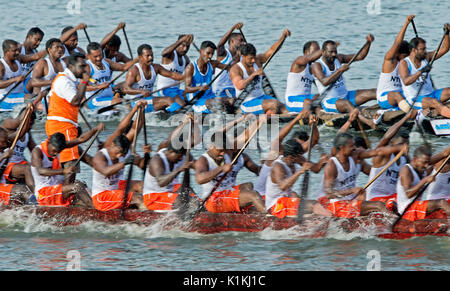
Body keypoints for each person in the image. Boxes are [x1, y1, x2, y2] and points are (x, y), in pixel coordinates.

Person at [318, 133, 393, 218]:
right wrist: (352, 190)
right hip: (339, 206)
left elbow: (376, 152)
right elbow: (328, 194)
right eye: (351, 146)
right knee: (379, 205)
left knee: (388, 204)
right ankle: (396, 222)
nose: (354, 148)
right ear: (342, 148)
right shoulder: (332, 165)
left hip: (351, 202)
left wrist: (396, 149)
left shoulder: (354, 157)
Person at [311, 36, 377, 128]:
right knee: (346, 104)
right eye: (331, 52)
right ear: (323, 52)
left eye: (335, 52)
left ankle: (391, 112)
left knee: (375, 92)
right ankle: (368, 122)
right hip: (330, 101)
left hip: (346, 96)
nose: (334, 54)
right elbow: (324, 82)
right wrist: (340, 70)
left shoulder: (338, 58)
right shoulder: (317, 65)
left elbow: (360, 56)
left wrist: (368, 43)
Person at [30, 125, 103, 208]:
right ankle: (97, 209)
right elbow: (41, 171)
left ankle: (95, 209)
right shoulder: (37, 151)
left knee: (81, 185)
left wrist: (95, 129)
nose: (55, 154)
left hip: (57, 190)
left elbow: (81, 139)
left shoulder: (59, 145)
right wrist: (63, 171)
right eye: (54, 151)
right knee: (77, 186)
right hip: (43, 194)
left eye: (58, 152)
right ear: (49, 142)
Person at [194, 131, 266, 214]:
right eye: (220, 150)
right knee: (253, 195)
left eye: (224, 150)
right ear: (211, 146)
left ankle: (244, 210)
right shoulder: (203, 160)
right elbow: (199, 179)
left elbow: (246, 137)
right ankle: (270, 219)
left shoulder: (228, 153)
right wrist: (221, 169)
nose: (223, 153)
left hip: (227, 193)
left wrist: (267, 166)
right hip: (214, 200)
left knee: (248, 185)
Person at [45, 52, 90, 183]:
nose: (84, 69)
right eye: (81, 66)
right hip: (63, 126)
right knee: (71, 164)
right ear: (71, 65)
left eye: (85, 66)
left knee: (63, 162)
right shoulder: (64, 81)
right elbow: (76, 101)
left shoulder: (67, 79)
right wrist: (85, 81)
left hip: (62, 124)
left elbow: (74, 104)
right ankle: (67, 197)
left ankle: (62, 193)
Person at [229, 29, 291, 115]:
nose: (253, 60)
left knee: (285, 107)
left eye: (254, 57)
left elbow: (272, 51)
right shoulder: (235, 69)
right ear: (242, 56)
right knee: (274, 104)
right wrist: (254, 74)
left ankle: (297, 119)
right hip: (246, 102)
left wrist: (283, 37)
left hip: (262, 97)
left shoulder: (257, 60)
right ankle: (268, 117)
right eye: (250, 58)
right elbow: (240, 86)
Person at [365, 110, 417, 212]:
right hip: (375, 200)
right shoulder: (382, 155)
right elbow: (385, 138)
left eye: (407, 145)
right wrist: (406, 118)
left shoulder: (405, 159)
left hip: (393, 198)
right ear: (392, 142)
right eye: (402, 144)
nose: (405, 147)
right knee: (393, 203)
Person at [266, 139, 332, 218]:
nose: (301, 158)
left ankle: (325, 218)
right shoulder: (278, 166)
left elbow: (315, 169)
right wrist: (301, 171)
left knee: (313, 203)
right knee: (312, 205)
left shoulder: (296, 159)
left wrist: (322, 161)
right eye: (298, 156)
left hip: (286, 199)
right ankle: (332, 219)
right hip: (276, 206)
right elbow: (282, 186)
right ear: (291, 157)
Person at [398, 24, 450, 117]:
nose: (425, 51)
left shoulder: (426, 57)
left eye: (425, 48)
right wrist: (421, 71)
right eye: (422, 49)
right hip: (415, 99)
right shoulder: (404, 63)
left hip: (432, 94)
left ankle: (440, 111)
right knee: (434, 102)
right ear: (414, 50)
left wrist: (446, 34)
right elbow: (406, 81)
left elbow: (445, 49)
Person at [121, 44, 185, 113]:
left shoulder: (156, 68)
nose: (151, 58)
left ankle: (174, 115)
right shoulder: (134, 70)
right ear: (140, 57)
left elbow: (172, 75)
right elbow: (126, 89)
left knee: (172, 102)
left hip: (149, 100)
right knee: (168, 100)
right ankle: (181, 117)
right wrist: (141, 91)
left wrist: (186, 77)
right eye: (147, 56)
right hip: (137, 102)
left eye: (152, 55)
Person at [396, 146, 450, 221]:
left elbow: (444, 153)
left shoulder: (422, 167)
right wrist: (424, 180)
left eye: (428, 163)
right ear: (415, 159)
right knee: (441, 202)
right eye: (424, 163)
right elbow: (408, 194)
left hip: (417, 206)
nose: (426, 166)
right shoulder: (406, 170)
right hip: (406, 210)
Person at [376, 15, 414, 113]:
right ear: (398, 54)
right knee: (397, 95)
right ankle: (412, 114)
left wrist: (447, 34)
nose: (406, 59)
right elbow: (397, 43)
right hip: (385, 97)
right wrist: (406, 24)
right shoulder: (390, 60)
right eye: (404, 56)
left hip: (402, 95)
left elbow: (441, 51)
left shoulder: (408, 62)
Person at [142, 140, 193, 211]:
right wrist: (178, 169)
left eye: (182, 156)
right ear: (171, 151)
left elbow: (197, 165)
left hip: (171, 190)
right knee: (184, 201)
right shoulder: (157, 160)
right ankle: (184, 219)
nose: (181, 159)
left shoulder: (179, 156)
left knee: (193, 197)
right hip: (153, 197)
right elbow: (161, 182)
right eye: (179, 156)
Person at [84, 42, 137, 109]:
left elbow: (124, 67)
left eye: (100, 55)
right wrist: (99, 87)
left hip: (109, 98)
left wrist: (138, 59)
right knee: (126, 104)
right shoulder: (87, 67)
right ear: (88, 56)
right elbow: (82, 88)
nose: (99, 58)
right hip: (94, 101)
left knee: (132, 101)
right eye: (95, 56)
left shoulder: (106, 62)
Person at [184, 40, 230, 113]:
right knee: (218, 103)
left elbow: (230, 68)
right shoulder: (191, 67)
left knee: (231, 100)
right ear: (201, 51)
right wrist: (200, 88)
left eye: (212, 54)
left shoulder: (212, 64)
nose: (210, 56)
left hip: (210, 96)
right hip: (197, 100)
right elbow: (187, 89)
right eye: (208, 53)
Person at [0, 39, 45, 111]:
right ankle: (38, 105)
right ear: (6, 51)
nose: (17, 52)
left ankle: (38, 99)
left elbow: (35, 56)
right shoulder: (1, 65)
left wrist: (49, 49)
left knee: (34, 81)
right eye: (14, 51)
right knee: (29, 97)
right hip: (5, 97)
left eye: (18, 50)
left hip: (20, 92)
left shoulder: (18, 58)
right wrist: (15, 79)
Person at [1, 106, 37, 193]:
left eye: (31, 124)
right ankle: (37, 195)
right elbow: (19, 126)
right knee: (28, 168)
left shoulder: (28, 134)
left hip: (20, 163)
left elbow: (35, 150)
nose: (29, 126)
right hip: (8, 164)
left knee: (36, 167)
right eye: (28, 123)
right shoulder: (9, 125)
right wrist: (30, 108)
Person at [285, 40, 322, 114]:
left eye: (319, 51)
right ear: (306, 52)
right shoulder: (299, 61)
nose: (318, 54)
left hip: (306, 98)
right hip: (292, 99)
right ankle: (321, 115)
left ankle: (322, 113)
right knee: (308, 102)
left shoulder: (313, 67)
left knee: (321, 97)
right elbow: (308, 59)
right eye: (316, 52)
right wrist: (326, 49)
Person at [0, 127, 32, 205]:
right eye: (3, 142)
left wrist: (28, 115)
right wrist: (3, 156)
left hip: (2, 184)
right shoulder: (3, 153)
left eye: (6, 141)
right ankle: (39, 205)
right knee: (22, 190)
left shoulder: (3, 147)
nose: (5, 144)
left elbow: (21, 132)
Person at [155, 34, 193, 101]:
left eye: (187, 46)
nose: (185, 49)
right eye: (183, 45)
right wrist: (180, 41)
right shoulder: (170, 54)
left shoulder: (186, 59)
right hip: (164, 89)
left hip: (176, 90)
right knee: (180, 102)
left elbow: (192, 73)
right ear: (178, 44)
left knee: (193, 96)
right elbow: (163, 53)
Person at [213, 22, 245, 98]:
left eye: (243, 41)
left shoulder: (242, 56)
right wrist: (232, 28)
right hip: (221, 89)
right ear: (232, 41)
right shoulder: (223, 54)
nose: (243, 43)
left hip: (235, 89)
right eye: (241, 40)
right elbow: (220, 45)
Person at [30, 38, 67, 104]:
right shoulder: (42, 63)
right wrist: (53, 82)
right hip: (42, 96)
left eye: (61, 47)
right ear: (49, 50)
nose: (60, 49)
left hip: (58, 94)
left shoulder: (64, 62)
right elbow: (33, 82)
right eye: (57, 47)